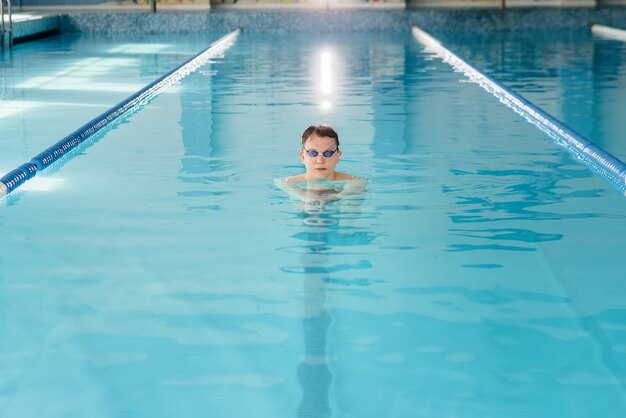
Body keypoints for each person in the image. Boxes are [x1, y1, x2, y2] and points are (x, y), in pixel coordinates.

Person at [274, 124, 367, 204]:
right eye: (312, 153)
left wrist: (336, 197)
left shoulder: (353, 182)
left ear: (338, 156)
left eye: (328, 153)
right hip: (305, 217)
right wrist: (305, 196)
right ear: (303, 156)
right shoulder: (289, 183)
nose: (320, 160)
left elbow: (359, 183)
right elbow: (280, 182)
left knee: (350, 203)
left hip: (341, 216)